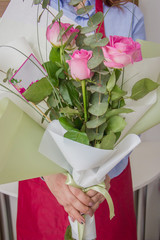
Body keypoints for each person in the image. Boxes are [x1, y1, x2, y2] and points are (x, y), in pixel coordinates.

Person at [17, 0, 146, 239]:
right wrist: (50, 176)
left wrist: (102, 176)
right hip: (44, 186)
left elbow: (139, 109)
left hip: (106, 189)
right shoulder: (27, 9)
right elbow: (17, 106)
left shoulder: (128, 16)